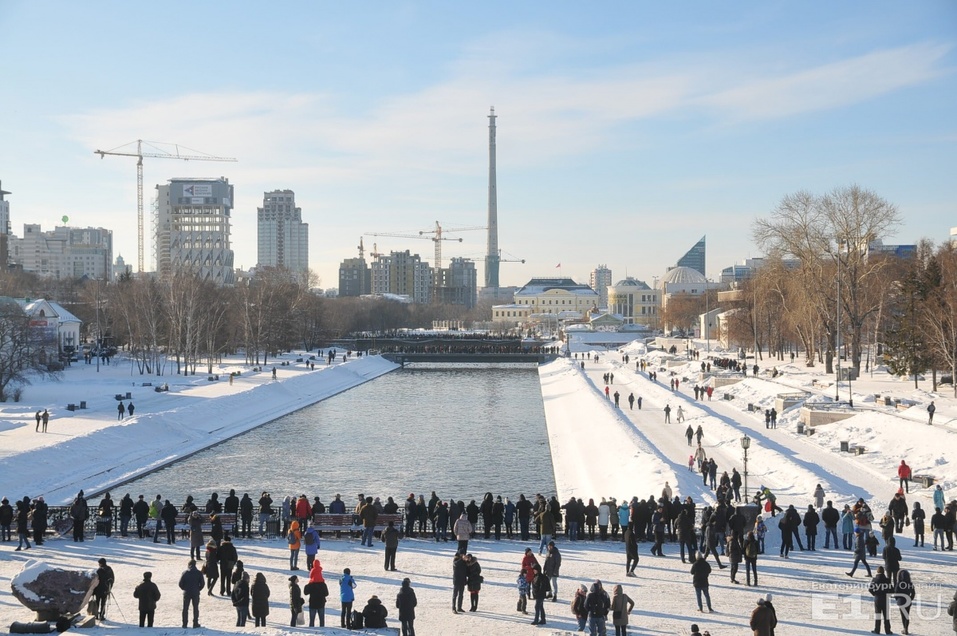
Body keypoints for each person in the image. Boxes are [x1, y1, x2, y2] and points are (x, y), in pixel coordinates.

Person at [178, 559, 205, 629]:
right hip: (195, 592)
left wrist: (185, 589)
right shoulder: (199, 573)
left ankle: (184, 623)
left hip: (187, 593)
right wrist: (198, 589)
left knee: (185, 608)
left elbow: (180, 584)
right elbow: (202, 584)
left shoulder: (185, 573)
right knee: (195, 608)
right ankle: (195, 623)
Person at [303, 561, 329, 627]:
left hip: (313, 603)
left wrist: (308, 584)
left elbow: (305, 592)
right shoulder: (323, 584)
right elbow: (326, 593)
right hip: (321, 602)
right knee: (322, 620)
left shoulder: (311, 584)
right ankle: (323, 631)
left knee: (312, 620)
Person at [870, 566, 894, 635]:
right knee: (886, 615)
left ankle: (877, 629)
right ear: (883, 572)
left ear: (877, 571)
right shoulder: (887, 580)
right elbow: (892, 590)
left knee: (878, 615)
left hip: (877, 599)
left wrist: (875, 594)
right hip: (885, 599)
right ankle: (888, 630)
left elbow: (870, 589)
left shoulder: (874, 580)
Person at [896, 569, 915, 635]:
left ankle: (904, 628)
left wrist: (897, 599)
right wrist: (911, 598)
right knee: (907, 615)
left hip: (901, 601)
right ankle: (906, 628)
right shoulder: (910, 583)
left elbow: (896, 592)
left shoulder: (899, 583)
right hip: (908, 600)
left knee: (903, 616)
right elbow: (913, 593)